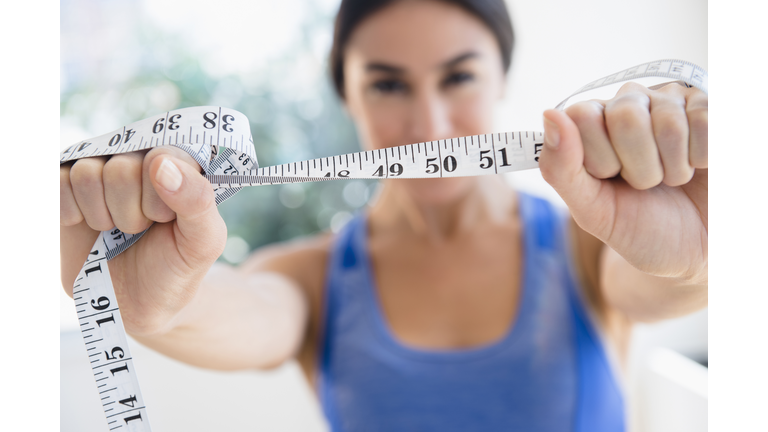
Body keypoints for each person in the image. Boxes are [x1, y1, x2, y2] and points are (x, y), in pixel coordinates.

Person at [59, 0, 708, 430]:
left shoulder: (592, 247)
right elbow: (229, 310)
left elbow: (663, 279)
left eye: (458, 78)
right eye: (388, 85)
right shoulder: (311, 278)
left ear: (502, 79)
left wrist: (699, 256)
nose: (427, 126)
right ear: (349, 96)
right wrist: (151, 299)